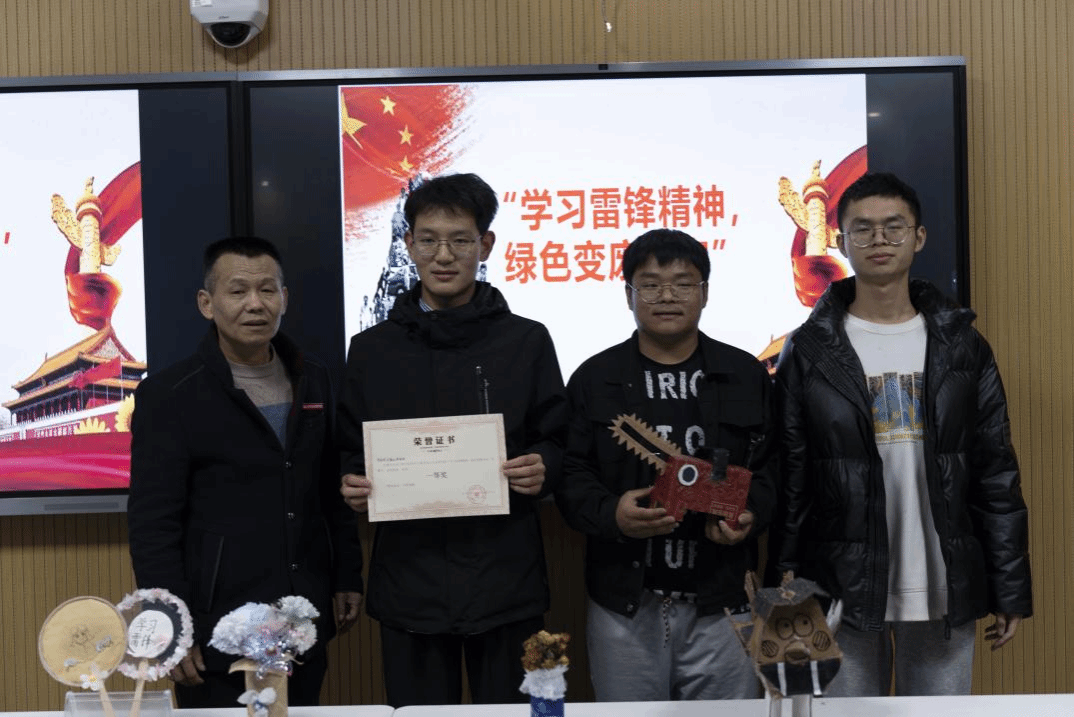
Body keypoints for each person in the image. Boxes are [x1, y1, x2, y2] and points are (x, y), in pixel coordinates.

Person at [769, 172, 1033, 696]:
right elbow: (791, 477)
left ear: (919, 237)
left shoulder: (962, 345)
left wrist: (1009, 587)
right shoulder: (810, 348)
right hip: (838, 581)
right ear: (841, 241)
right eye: (863, 229)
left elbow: (995, 472)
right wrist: (785, 586)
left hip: (942, 582)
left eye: (894, 227)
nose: (879, 240)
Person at [338, 173, 568, 707]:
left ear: (485, 245)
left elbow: (561, 441)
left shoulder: (527, 341)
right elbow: (349, 448)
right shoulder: (371, 350)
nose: (444, 256)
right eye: (428, 239)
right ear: (408, 244)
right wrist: (351, 482)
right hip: (409, 586)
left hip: (507, 582)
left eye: (460, 240)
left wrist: (544, 465)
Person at [127, 236, 363, 706]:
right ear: (206, 303)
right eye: (237, 291)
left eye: (267, 290)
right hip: (214, 627)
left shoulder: (314, 378)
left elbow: (331, 491)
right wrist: (172, 626)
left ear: (284, 298)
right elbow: (153, 523)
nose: (255, 304)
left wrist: (347, 576)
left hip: (302, 616)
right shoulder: (171, 395)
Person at [555, 228, 777, 701]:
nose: (667, 296)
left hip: (723, 602)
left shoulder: (744, 374)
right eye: (651, 284)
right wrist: (612, 515)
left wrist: (750, 514)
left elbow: (774, 469)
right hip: (625, 603)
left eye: (683, 283)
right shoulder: (595, 378)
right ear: (629, 295)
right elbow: (571, 474)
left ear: (705, 293)